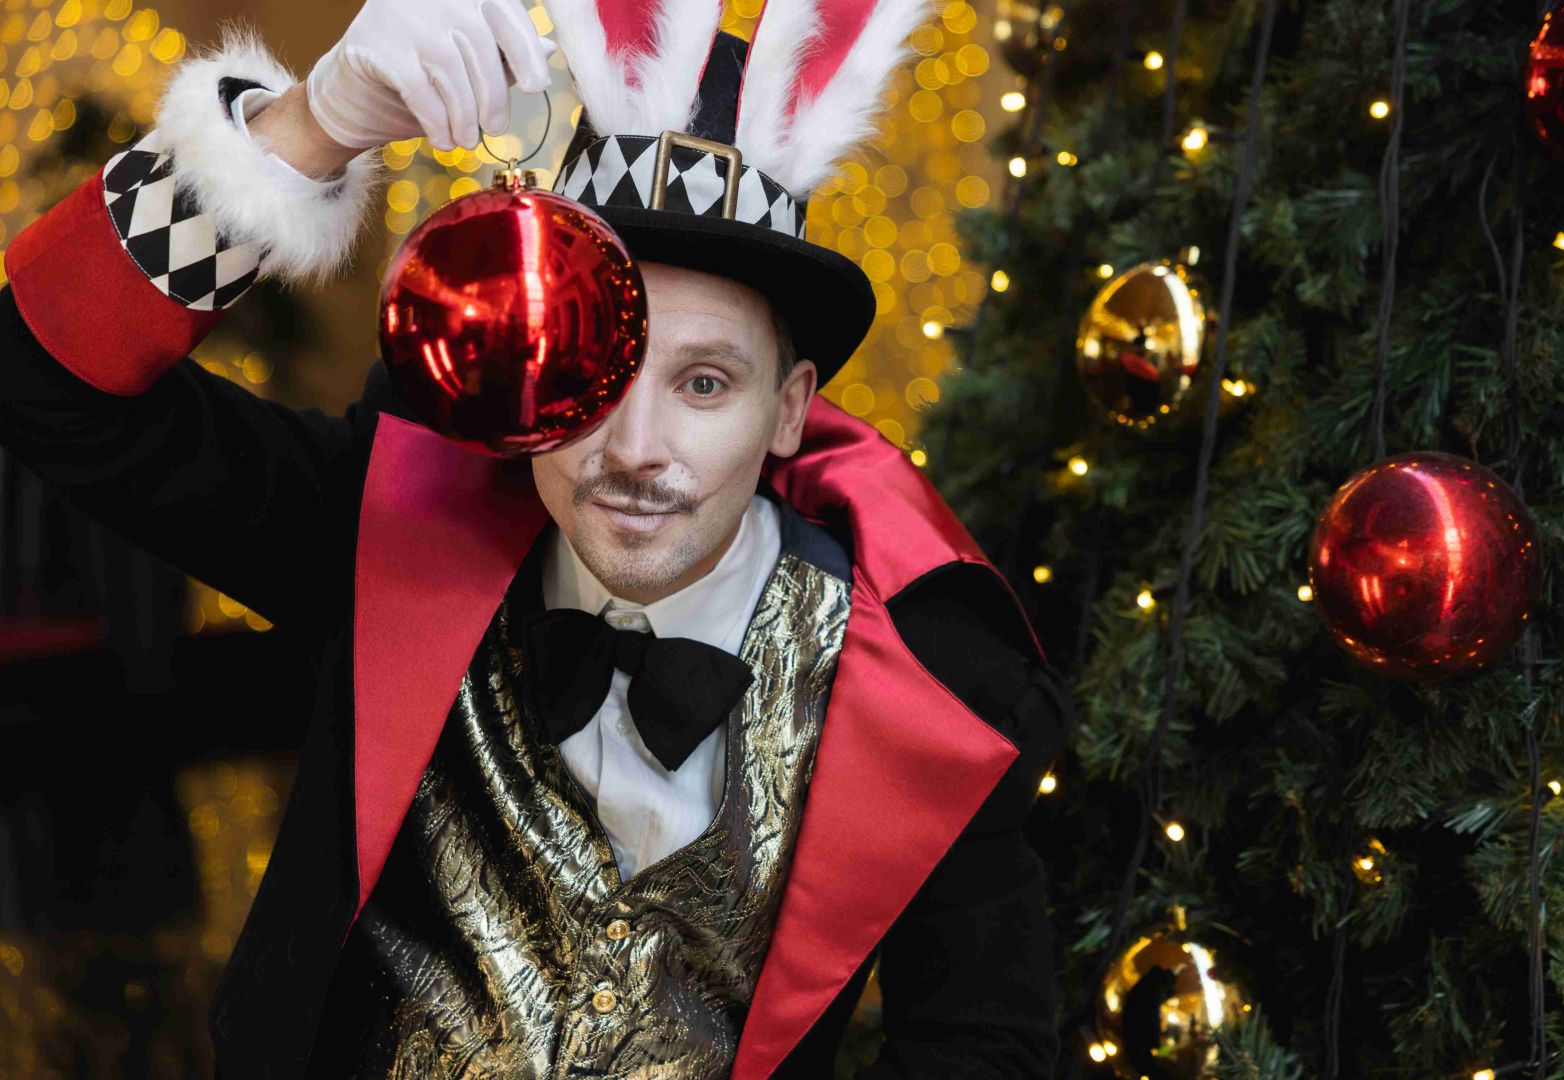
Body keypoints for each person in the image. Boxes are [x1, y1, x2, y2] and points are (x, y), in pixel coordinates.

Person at [0, 0, 1071, 1074]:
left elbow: (980, 1056)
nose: (637, 450)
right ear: (529, 355)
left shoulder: (927, 685)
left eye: (704, 384)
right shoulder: (387, 524)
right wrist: (312, 125)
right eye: (597, 361)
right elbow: (42, 380)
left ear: (789, 410)